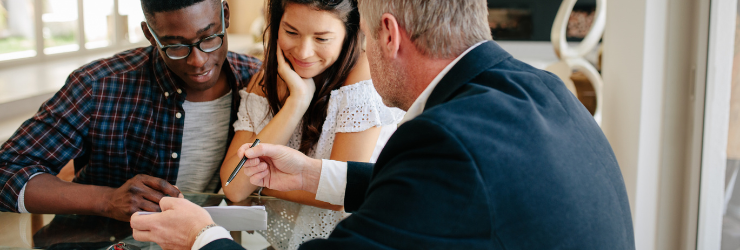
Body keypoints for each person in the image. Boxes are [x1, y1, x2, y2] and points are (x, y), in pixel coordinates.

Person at [130, 0, 636, 249]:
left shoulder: (447, 141)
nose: (364, 52)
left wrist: (201, 237)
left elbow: (443, 178)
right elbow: (445, 193)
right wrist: (311, 175)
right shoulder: (538, 88)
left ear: (388, 34)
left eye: (366, 36)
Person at [0, 0, 261, 222]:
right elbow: (6, 171)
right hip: (101, 239)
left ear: (225, 16)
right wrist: (106, 200)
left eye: (209, 38)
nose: (199, 61)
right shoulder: (99, 85)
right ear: (150, 35)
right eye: (176, 46)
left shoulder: (256, 82)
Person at [219, 0, 402, 248]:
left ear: (349, 33)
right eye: (291, 32)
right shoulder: (266, 81)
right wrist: (297, 103)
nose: (304, 52)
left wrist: (259, 183)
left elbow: (338, 193)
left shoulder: (362, 79)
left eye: (322, 38)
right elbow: (234, 186)